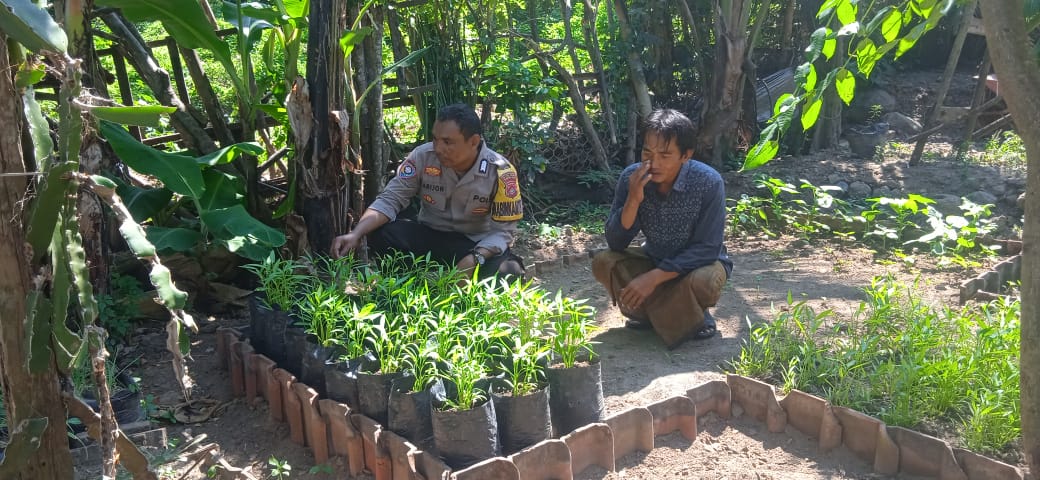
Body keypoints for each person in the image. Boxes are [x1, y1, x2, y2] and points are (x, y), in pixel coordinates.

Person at [331, 103, 525, 279]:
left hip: (474, 244)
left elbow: (504, 232)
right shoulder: (422, 157)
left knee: (510, 272)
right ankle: (405, 287)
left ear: (473, 141)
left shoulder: (500, 171)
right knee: (384, 233)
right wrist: (355, 234)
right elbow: (391, 199)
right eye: (435, 139)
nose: (438, 148)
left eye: (447, 142)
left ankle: (463, 284)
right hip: (430, 237)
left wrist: (475, 258)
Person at [591, 108, 733, 349]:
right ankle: (653, 316)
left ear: (686, 155)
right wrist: (633, 199)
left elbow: (707, 249)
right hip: (654, 256)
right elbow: (616, 242)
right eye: (647, 152)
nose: (653, 163)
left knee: (705, 281)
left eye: (665, 155)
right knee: (603, 262)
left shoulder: (708, 182)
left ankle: (696, 317)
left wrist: (653, 278)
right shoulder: (631, 178)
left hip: (700, 264)